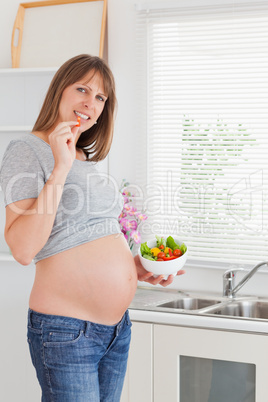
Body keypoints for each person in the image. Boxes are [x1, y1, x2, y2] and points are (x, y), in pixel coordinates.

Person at [0, 54, 185, 402]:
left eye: (101, 97)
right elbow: (23, 249)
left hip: (116, 331)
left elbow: (84, 237)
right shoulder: (27, 149)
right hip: (66, 331)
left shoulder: (84, 156)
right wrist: (60, 168)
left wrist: (134, 268)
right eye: (82, 88)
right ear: (59, 90)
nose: (91, 103)